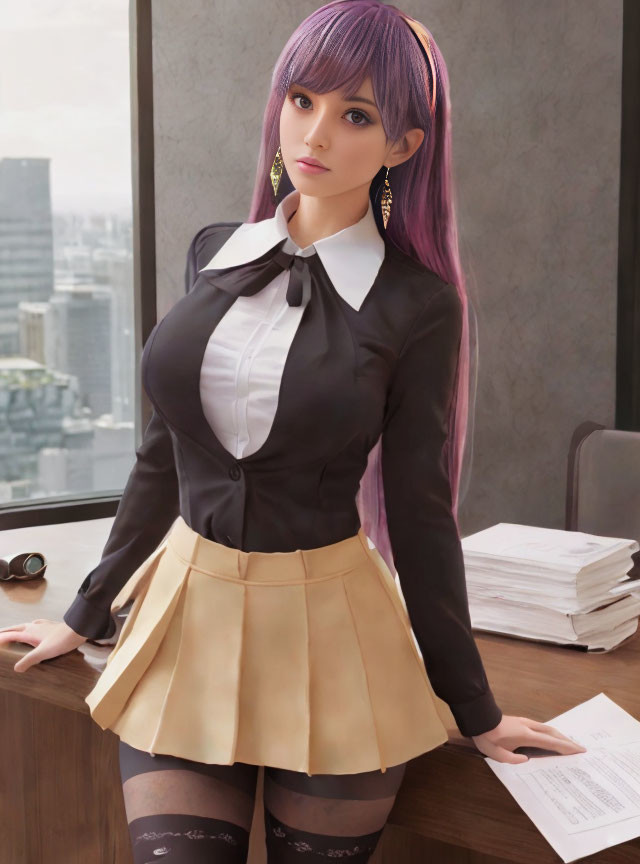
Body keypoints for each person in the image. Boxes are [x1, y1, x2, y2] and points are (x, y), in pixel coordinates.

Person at [2, 2, 586, 862]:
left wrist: (475, 707)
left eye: (358, 115)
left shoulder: (417, 305)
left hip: (334, 633)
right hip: (188, 619)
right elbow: (164, 455)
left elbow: (419, 512)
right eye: (302, 97)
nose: (315, 130)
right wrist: (88, 611)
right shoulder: (215, 253)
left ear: (404, 146)